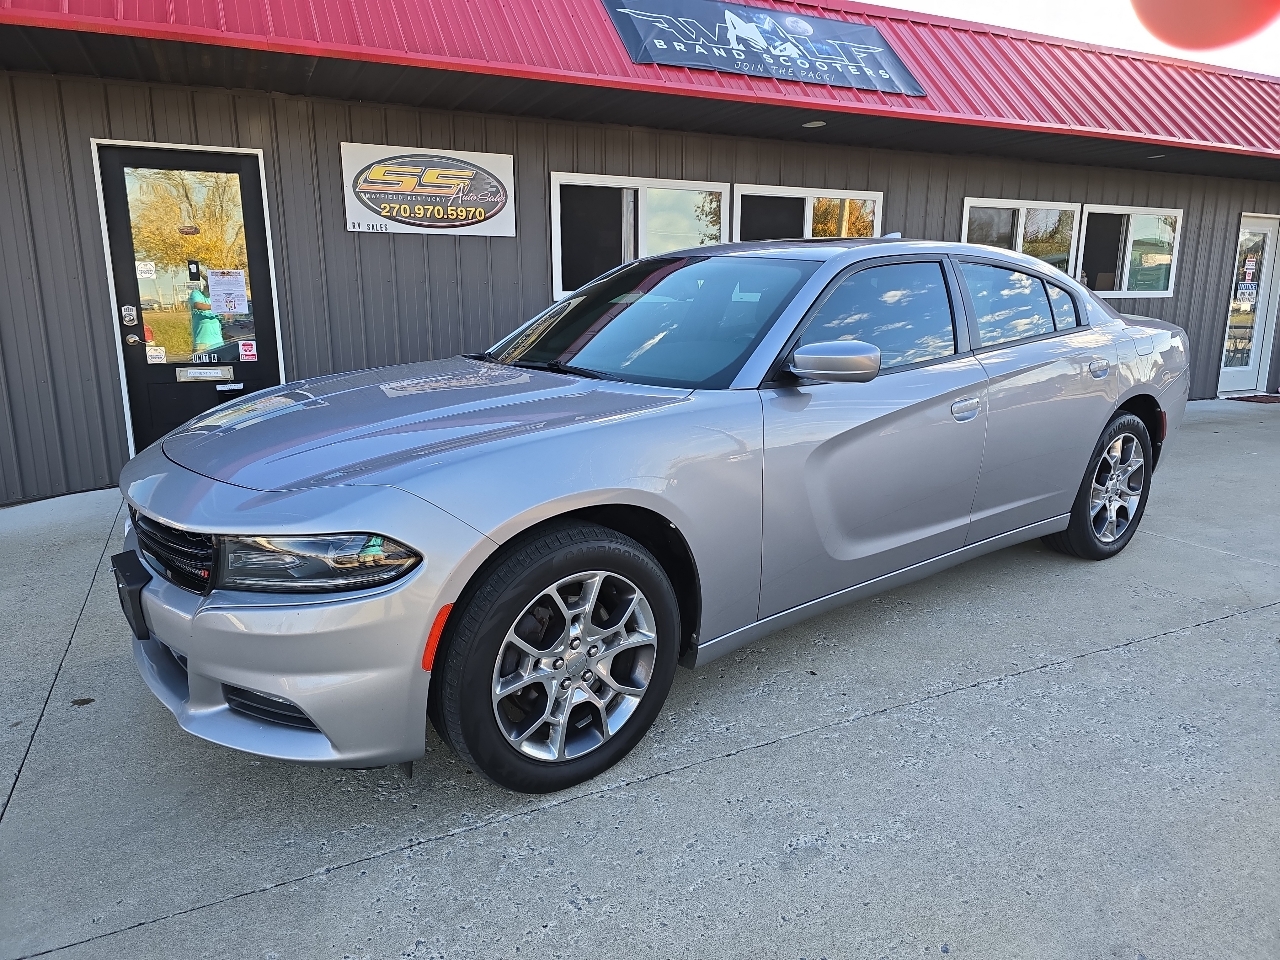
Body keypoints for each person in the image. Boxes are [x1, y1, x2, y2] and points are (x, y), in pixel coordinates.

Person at [189, 289, 223, 354]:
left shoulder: (218, 297)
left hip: (218, 342)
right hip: (202, 343)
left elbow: (228, 316)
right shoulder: (196, 294)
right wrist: (218, 307)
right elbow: (198, 305)